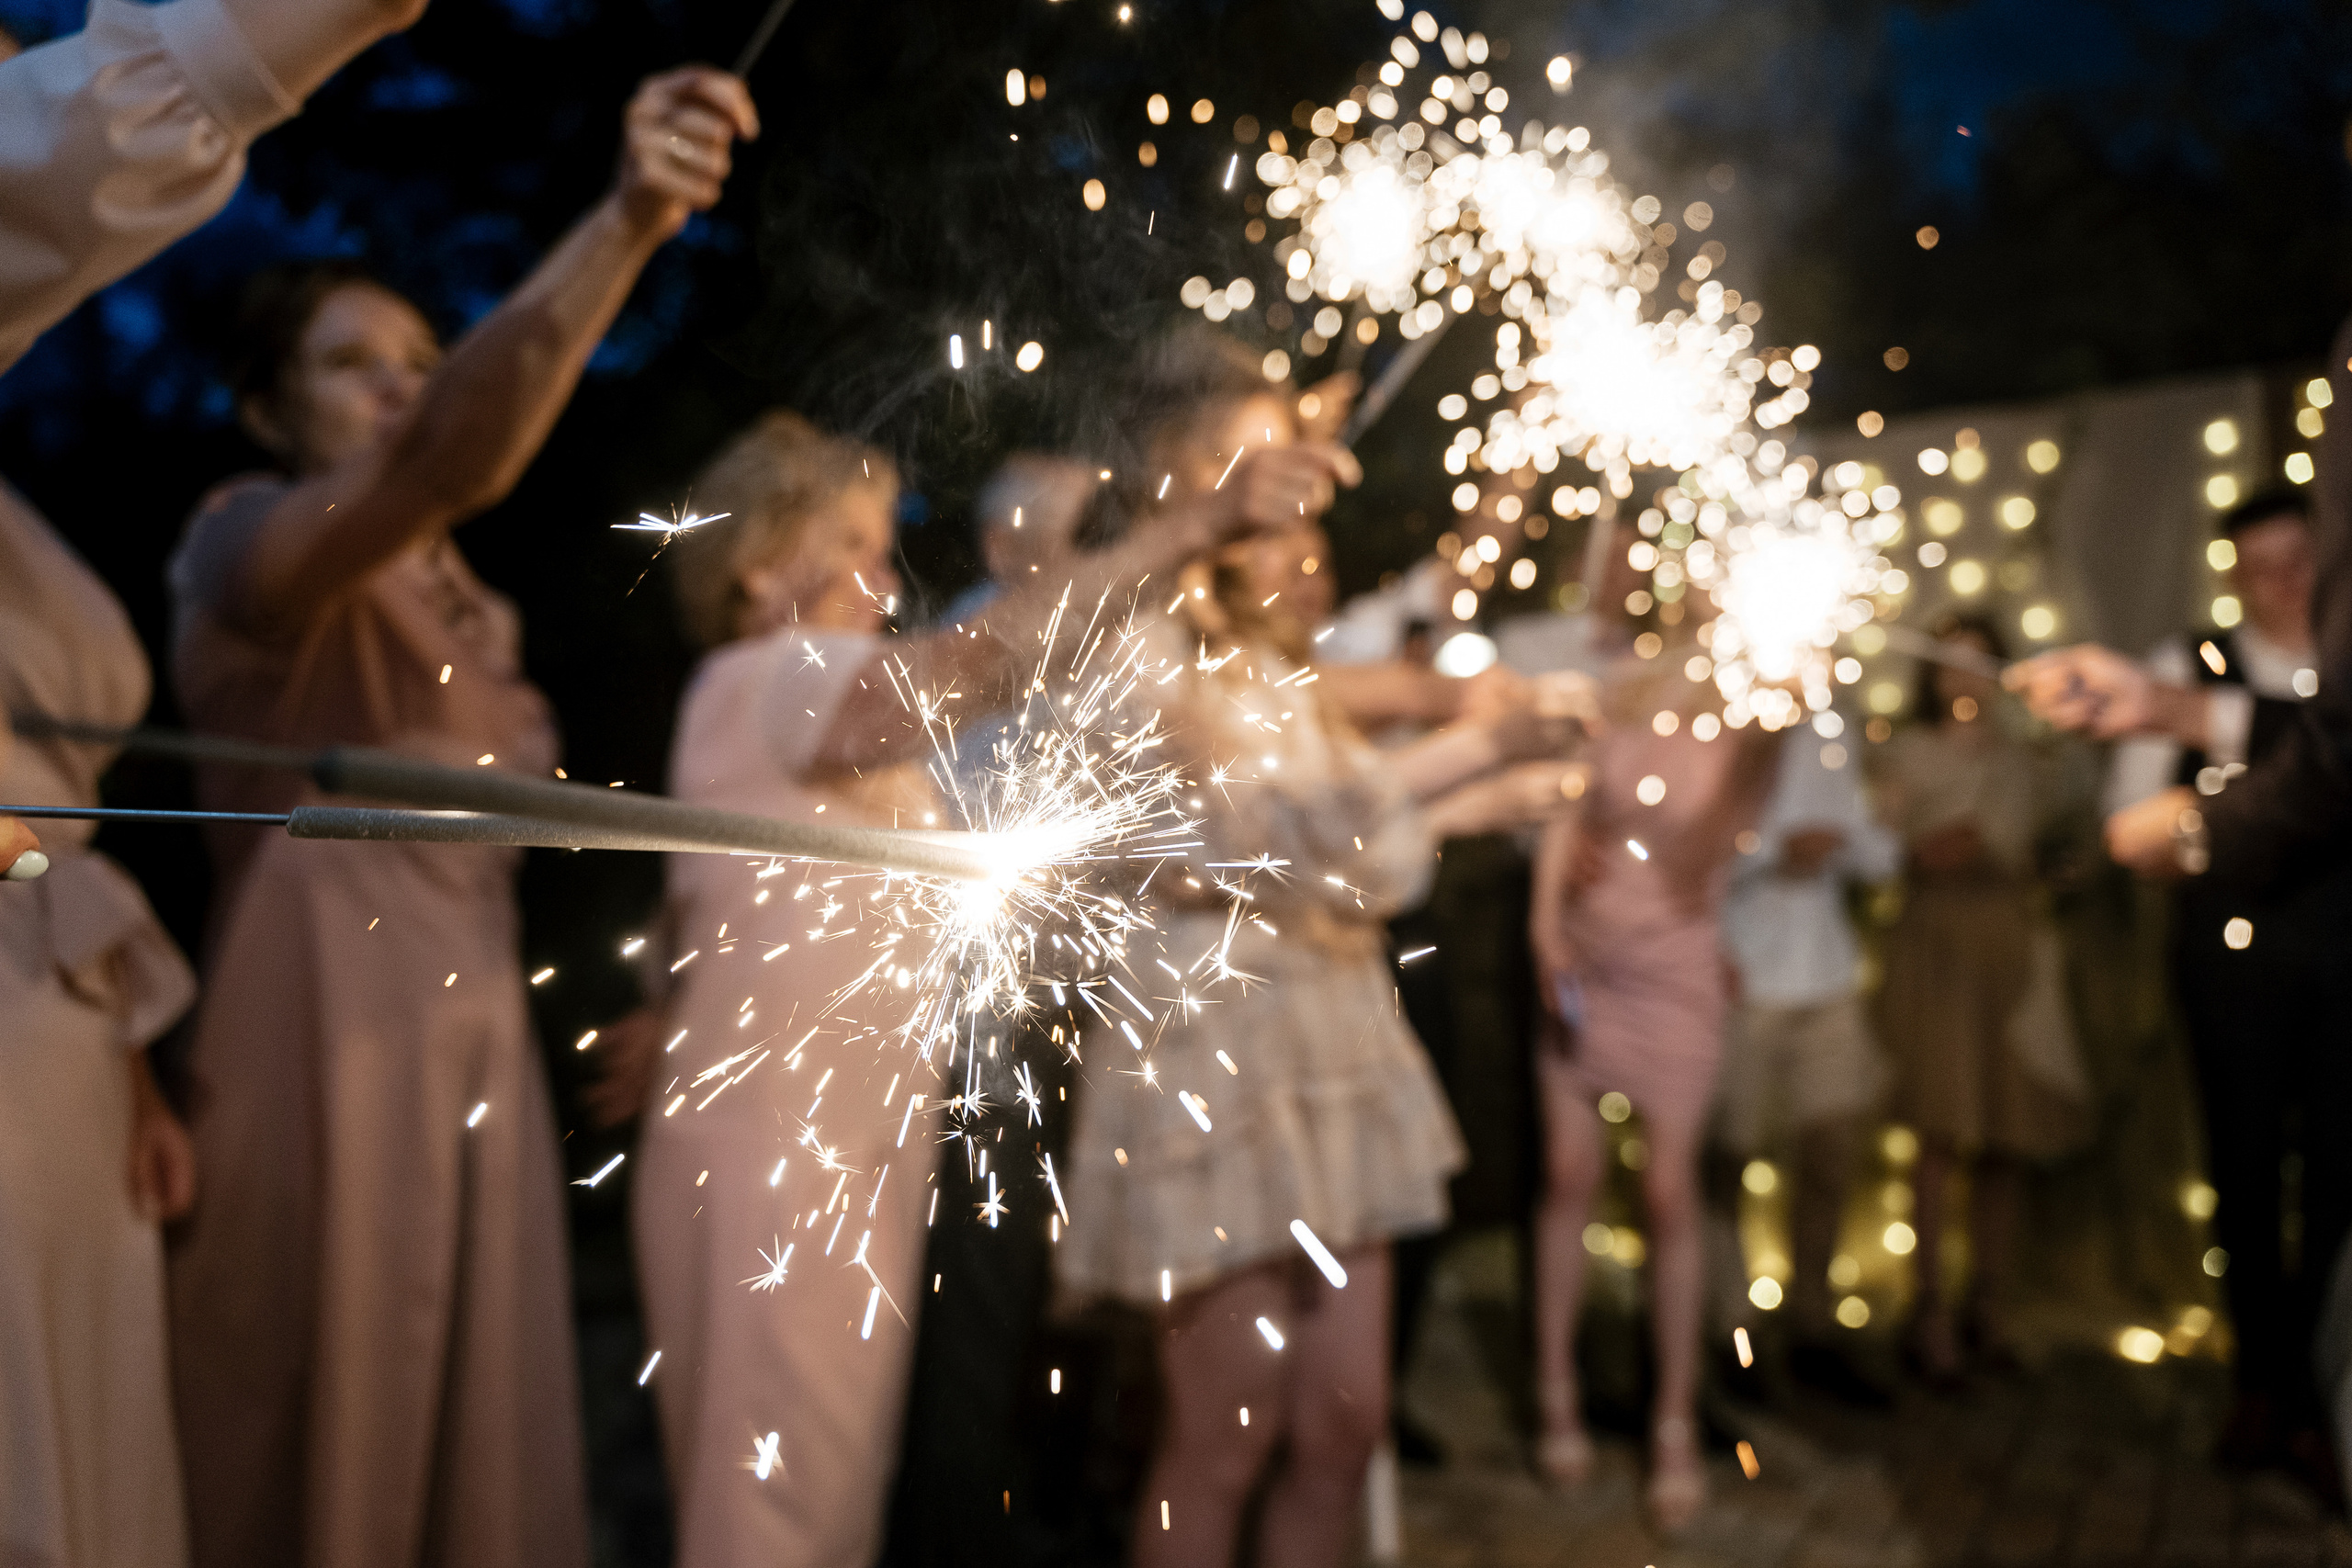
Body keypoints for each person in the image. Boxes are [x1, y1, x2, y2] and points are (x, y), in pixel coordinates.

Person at [162, 65, 755, 1568]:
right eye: (352, 362)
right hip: (319, 1026)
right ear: (265, 405)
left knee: (469, 1416)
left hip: (468, 1013)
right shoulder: (244, 543)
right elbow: (447, 455)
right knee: (327, 1406)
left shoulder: (472, 608)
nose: (398, 385)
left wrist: (637, 1002)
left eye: (420, 355)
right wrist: (630, 223)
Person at [607, 405, 1351, 1568]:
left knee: (835, 1477)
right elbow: (977, 663)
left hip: (859, 1144)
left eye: (876, 539)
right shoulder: (777, 669)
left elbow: (707, 897)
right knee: (772, 1499)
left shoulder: (796, 709)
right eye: (845, 542)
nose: (878, 572)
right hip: (780, 1157)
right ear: (755, 570)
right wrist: (1196, 523)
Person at [1, 1, 437, 1560]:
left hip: (61, 1039)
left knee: (95, 1444)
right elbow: (64, 150)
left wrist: (122, 1052)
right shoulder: (247, 535)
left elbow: (37, 842)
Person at [1055, 329, 1570, 1568]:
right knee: (1220, 1437)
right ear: (1177, 468)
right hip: (1213, 1056)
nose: (1291, 494)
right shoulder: (1127, 640)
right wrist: (1470, 758)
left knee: (1343, 1423)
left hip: (1337, 1044)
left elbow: (1360, 859)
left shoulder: (1284, 670)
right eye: (1253, 456)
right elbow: (1249, 839)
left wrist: (1479, 797)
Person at [2077, 489, 2352, 1475]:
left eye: (2297, 561)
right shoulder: (2183, 664)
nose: (2281, 583)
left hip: (2346, 958)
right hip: (2233, 959)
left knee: (2339, 1176)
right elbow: (2131, 824)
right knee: (2240, 1171)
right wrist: (2211, 821)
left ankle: (2326, 1394)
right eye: (2258, 565)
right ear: (2232, 573)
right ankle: (2259, 1385)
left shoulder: (2345, 671)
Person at [1526, 561, 1781, 1532]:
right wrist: (1542, 927)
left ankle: (1671, 1417)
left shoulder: (1763, 716)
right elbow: (1564, 808)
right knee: (1565, 1173)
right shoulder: (1615, 681)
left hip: (1678, 970)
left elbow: (1719, 839)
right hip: (1583, 959)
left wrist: (1773, 719)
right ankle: (1555, 1390)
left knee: (1671, 1193)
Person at [1871, 614, 2083, 1385]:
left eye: (1978, 664)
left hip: (2011, 947)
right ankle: (1926, 1312)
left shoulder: (2027, 760)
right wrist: (1918, 854)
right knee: (1940, 1129)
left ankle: (1988, 1305)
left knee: (2005, 1134)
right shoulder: (1906, 752)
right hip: (1938, 945)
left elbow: (2057, 845)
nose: (1964, 679)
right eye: (1949, 665)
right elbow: (1876, 848)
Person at [1711, 718, 1898, 1397]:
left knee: (1829, 1155)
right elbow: (1686, 848)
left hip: (1828, 972)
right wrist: (1770, 851)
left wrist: (1858, 837)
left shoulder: (1836, 729)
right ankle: (1730, 1329)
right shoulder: (1720, 730)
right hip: (1743, 973)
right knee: (1726, 1160)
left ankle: (1812, 1323)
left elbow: (1877, 848)